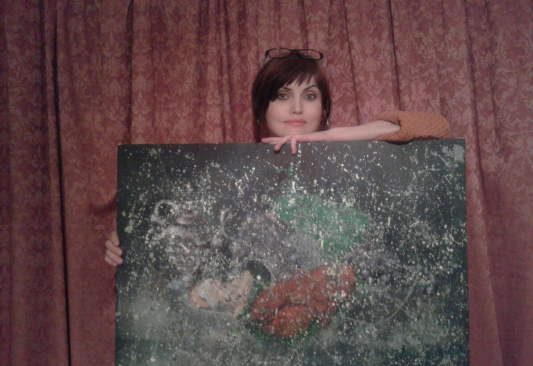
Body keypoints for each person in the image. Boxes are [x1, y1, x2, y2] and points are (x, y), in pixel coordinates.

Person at [106, 47, 450, 266]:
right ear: (262, 108)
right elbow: (196, 249)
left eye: (310, 96)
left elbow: (439, 127)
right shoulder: (236, 176)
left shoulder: (351, 169)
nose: (297, 108)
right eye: (283, 95)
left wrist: (331, 136)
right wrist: (129, 242)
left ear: (324, 108)